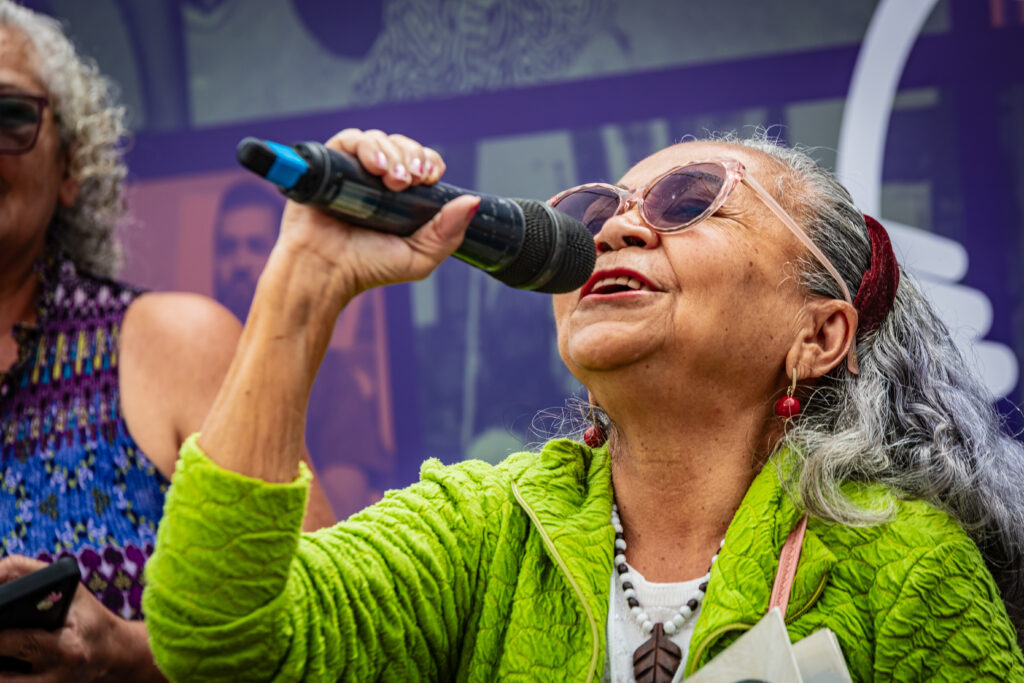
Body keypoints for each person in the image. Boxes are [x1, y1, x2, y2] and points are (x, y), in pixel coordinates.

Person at [143, 127, 1024, 682]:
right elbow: (217, 642)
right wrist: (306, 280)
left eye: (690, 203)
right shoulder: (484, 531)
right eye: (594, 212)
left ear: (818, 335)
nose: (614, 230)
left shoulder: (902, 566)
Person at [0, 3, 333, 679]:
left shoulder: (175, 343)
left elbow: (329, 620)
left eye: (9, 115)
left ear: (71, 167)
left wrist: (124, 650)